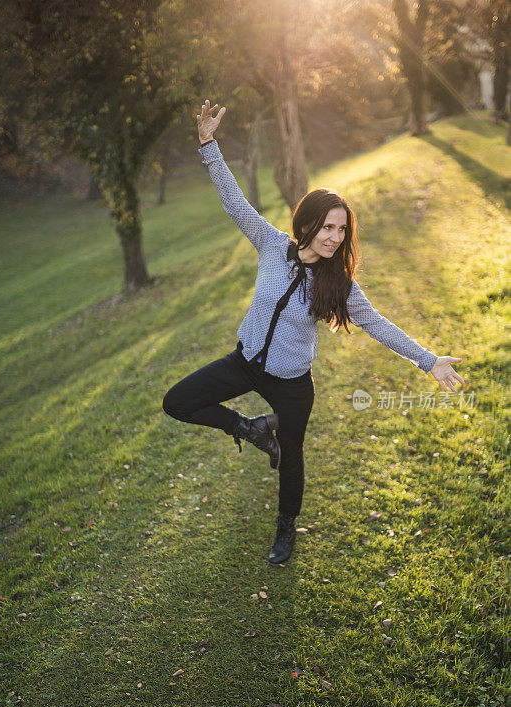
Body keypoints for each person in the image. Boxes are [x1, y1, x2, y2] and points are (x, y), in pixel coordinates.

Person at [162, 99, 465, 565]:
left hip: (291, 383)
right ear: (306, 223)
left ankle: (286, 530)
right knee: (177, 401)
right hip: (244, 363)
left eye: (341, 230)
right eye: (326, 226)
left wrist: (429, 360)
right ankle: (250, 428)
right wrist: (208, 145)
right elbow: (233, 200)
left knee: (294, 460)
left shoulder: (338, 284)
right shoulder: (270, 244)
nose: (333, 237)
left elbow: (377, 324)